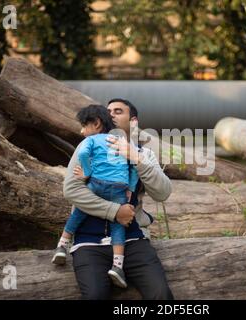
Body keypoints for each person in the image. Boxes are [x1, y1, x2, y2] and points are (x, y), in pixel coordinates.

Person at [63, 98, 174, 299]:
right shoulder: (87, 147)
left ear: (133, 122)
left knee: (161, 294)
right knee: (95, 296)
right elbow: (71, 190)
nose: (111, 114)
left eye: (118, 111)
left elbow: (163, 193)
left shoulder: (144, 153)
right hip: (89, 242)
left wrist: (137, 159)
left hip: (132, 240)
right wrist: (115, 212)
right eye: (108, 111)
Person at [51, 104, 138, 289]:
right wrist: (130, 187)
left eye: (84, 126)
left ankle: (62, 245)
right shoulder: (122, 143)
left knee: (81, 209)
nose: (82, 132)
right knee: (119, 224)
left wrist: (87, 173)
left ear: (97, 124)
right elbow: (134, 167)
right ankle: (117, 266)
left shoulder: (89, 141)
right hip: (120, 188)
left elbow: (82, 154)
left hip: (97, 184)